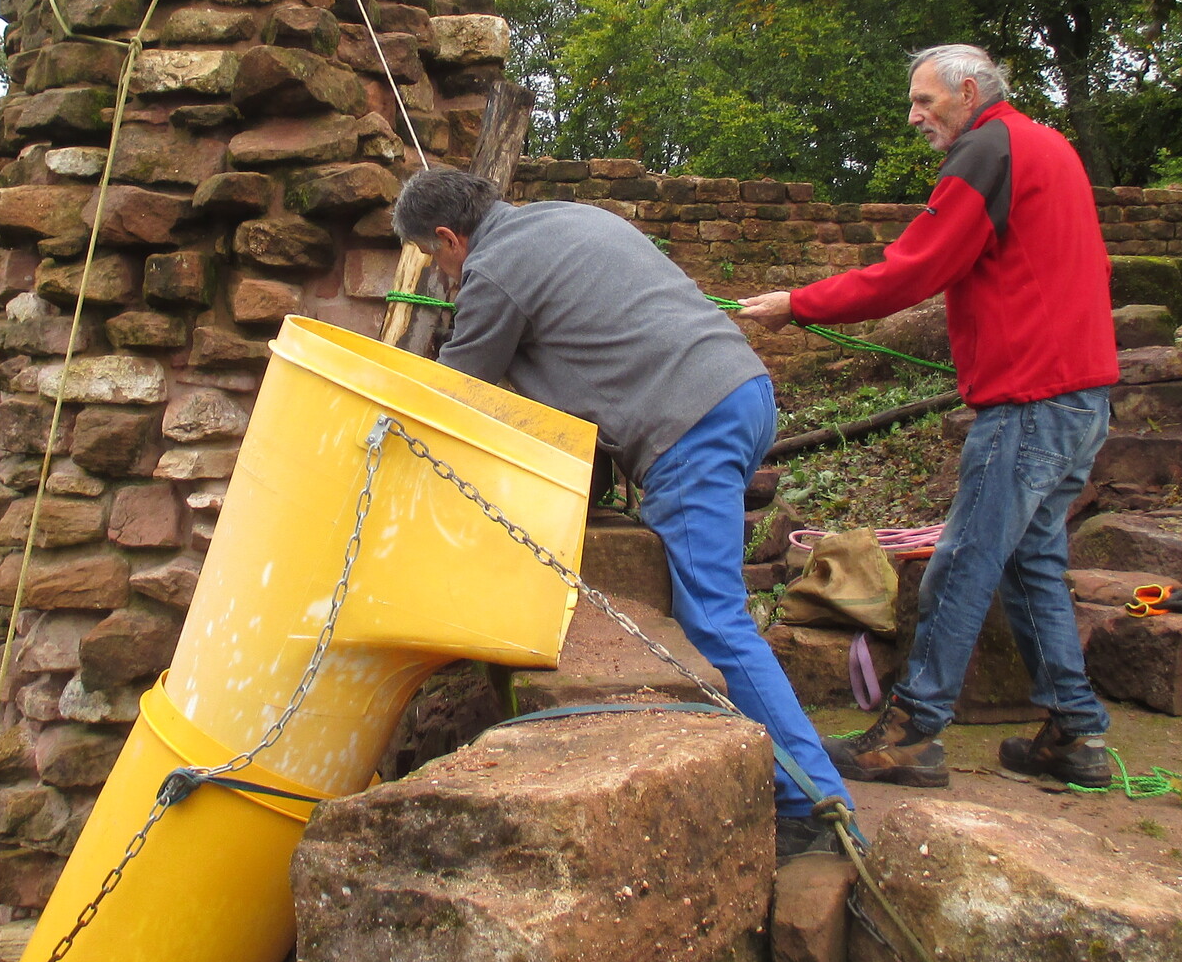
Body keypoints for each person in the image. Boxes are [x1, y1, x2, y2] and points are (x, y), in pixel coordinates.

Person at [392, 167, 855, 855]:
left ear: (449, 238)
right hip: (743, 392)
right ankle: (806, 768)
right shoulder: (561, 218)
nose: (441, 274)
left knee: (714, 619)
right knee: (716, 609)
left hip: (689, 425)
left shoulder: (494, 271)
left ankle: (817, 807)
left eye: (434, 259)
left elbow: (453, 395)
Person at [735, 44, 1119, 790]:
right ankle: (1075, 731)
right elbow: (1089, 267)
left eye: (924, 101)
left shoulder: (987, 149)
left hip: (1031, 402)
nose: (914, 116)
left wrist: (799, 304)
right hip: (1082, 396)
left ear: (968, 92)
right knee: (1031, 563)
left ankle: (912, 732)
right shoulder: (1049, 147)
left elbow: (917, 267)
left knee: (963, 560)